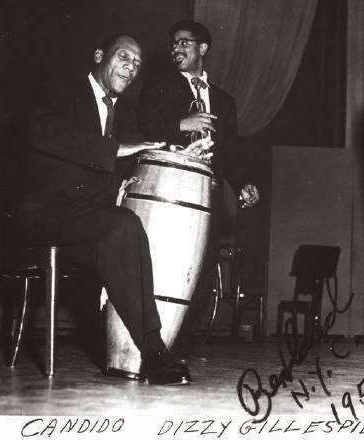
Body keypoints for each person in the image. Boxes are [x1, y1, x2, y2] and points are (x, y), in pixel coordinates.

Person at [15, 33, 209, 385]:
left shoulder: (125, 115)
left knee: (127, 229)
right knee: (123, 226)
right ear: (100, 55)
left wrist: (178, 155)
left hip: (87, 223)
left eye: (137, 64)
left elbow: (143, 147)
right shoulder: (60, 87)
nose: (131, 67)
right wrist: (115, 148)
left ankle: (145, 353)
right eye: (124, 57)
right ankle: (153, 351)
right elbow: (43, 131)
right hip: (44, 215)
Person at [138, 20, 259, 357]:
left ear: (202, 48)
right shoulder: (159, 85)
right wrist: (181, 124)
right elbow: (145, 125)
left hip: (210, 195)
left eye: (184, 43)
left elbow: (231, 153)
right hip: (170, 192)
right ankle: (153, 344)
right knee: (165, 265)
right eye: (173, 44)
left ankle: (182, 347)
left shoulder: (224, 100)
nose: (176, 49)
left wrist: (243, 182)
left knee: (203, 270)